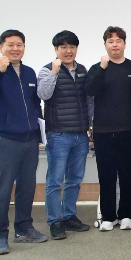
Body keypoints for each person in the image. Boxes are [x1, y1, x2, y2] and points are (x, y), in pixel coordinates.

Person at [0, 30, 48, 254]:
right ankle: (0, 235)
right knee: (3, 189)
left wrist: (40, 132)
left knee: (27, 187)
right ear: (1, 47)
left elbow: (35, 104)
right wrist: (0, 72)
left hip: (29, 139)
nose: (15, 48)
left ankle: (24, 229)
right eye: (10, 44)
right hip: (5, 138)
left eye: (19, 44)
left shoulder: (29, 72)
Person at [37, 30, 92, 240]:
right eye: (63, 47)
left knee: (75, 179)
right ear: (56, 49)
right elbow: (43, 94)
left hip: (80, 134)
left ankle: (69, 216)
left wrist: (90, 125)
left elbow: (89, 100)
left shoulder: (83, 70)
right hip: (58, 134)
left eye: (72, 47)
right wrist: (54, 72)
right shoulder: (47, 70)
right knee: (55, 180)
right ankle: (54, 221)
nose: (68, 51)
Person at [85, 26, 131, 232]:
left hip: (130, 129)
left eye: (118, 41)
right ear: (105, 45)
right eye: (111, 41)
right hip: (103, 130)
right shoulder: (96, 68)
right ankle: (108, 216)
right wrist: (102, 68)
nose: (115, 44)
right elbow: (90, 90)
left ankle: (126, 215)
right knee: (106, 175)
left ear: (124, 44)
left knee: (129, 175)